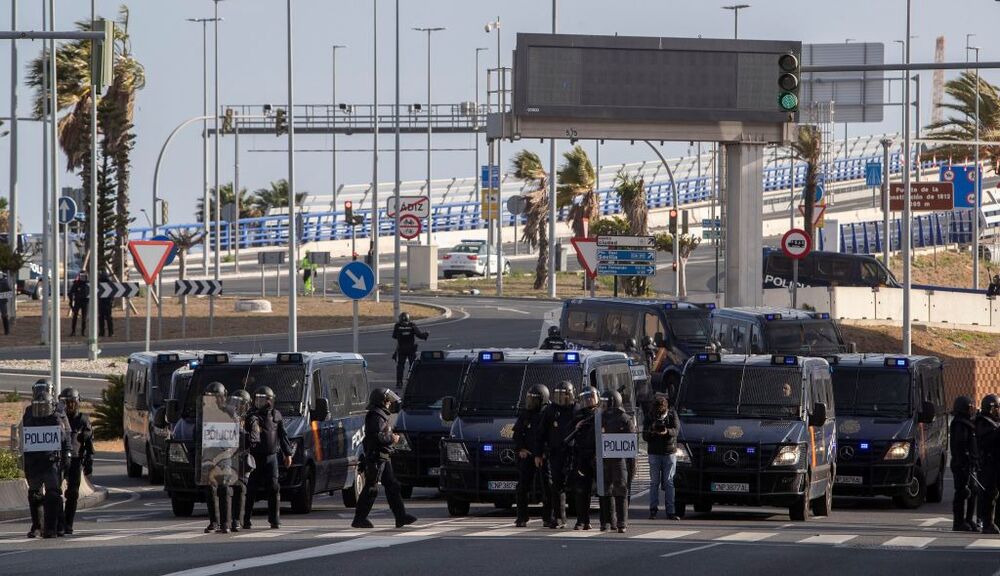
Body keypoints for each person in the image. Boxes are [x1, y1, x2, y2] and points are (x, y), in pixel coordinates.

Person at [352, 388, 417, 529]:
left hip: (383, 456)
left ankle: (401, 516)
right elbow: (377, 437)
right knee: (371, 488)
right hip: (377, 457)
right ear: (382, 401)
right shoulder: (376, 416)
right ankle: (359, 518)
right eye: (388, 401)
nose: (389, 404)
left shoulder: (380, 415)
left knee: (392, 486)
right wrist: (392, 438)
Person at [22, 391, 72, 539]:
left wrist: (66, 456)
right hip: (34, 462)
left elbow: (65, 438)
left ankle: (52, 527)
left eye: (44, 407)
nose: (42, 410)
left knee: (53, 495)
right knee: (34, 495)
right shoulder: (29, 418)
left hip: (51, 462)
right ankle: (37, 526)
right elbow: (23, 439)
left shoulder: (57, 418)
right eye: (39, 407)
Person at [244, 386, 294, 530]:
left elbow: (283, 435)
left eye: (264, 399)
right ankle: (245, 519)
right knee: (251, 489)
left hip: (271, 457)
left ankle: (274, 520)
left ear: (270, 400)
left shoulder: (276, 415)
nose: (261, 402)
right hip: (254, 458)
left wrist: (288, 453)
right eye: (258, 399)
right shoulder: (251, 415)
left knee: (274, 487)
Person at [539, 380, 576, 529]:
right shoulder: (550, 411)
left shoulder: (577, 410)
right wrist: (538, 453)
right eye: (559, 396)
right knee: (556, 487)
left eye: (565, 396)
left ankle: (583, 520)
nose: (562, 399)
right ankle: (559, 517)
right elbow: (541, 434)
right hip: (555, 453)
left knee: (579, 487)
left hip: (574, 454)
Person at [514, 384, 551, 528]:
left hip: (543, 455)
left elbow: (550, 436)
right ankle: (521, 517)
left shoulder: (547, 413)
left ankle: (548, 518)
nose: (531, 403)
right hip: (528, 455)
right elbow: (517, 433)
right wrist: (521, 448)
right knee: (522, 486)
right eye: (529, 399)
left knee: (547, 487)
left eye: (534, 400)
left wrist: (542, 453)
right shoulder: (525, 413)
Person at [599, 389, 635, 533]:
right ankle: (607, 522)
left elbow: (631, 442)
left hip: (619, 460)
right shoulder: (599, 418)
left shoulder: (624, 419)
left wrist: (632, 465)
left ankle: (621, 522)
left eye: (605, 403)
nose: (603, 406)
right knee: (605, 490)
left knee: (620, 489)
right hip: (604, 459)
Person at [58, 388, 92, 535]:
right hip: (58, 460)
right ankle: (58, 523)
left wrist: (89, 460)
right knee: (54, 492)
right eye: (66, 403)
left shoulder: (83, 419)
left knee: (72, 493)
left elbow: (89, 442)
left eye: (72, 402)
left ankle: (68, 523)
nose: (70, 406)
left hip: (76, 460)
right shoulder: (57, 418)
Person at [201, 382, 233, 534]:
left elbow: (234, 436)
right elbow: (198, 434)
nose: (213, 401)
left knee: (224, 488)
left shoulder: (230, 413)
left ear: (222, 398)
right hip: (208, 455)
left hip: (225, 455)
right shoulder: (204, 413)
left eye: (216, 397)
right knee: (209, 489)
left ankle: (226, 523)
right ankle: (214, 521)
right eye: (210, 397)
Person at [566, 386, 600, 531]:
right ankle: (582, 521)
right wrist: (577, 425)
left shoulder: (601, 414)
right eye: (586, 398)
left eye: (591, 397)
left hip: (598, 457)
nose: (589, 400)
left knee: (605, 490)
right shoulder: (578, 415)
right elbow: (567, 434)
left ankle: (607, 521)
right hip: (582, 457)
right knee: (581, 490)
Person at [644, 394, 679, 521]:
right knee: (654, 483)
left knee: (669, 482)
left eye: (661, 412)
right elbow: (644, 436)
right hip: (654, 452)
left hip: (669, 452)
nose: (659, 415)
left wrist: (667, 432)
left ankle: (670, 511)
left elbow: (676, 430)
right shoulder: (649, 416)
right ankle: (653, 510)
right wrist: (652, 431)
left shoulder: (671, 415)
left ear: (666, 409)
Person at [229, 389, 257, 533]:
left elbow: (254, 439)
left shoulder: (251, 420)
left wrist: (241, 431)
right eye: (235, 403)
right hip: (227, 458)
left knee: (241, 488)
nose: (236, 406)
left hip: (243, 459)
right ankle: (221, 521)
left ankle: (238, 520)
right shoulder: (227, 417)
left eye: (240, 404)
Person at [950, 395, 979, 532]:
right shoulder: (960, 425)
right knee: (962, 492)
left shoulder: (968, 423)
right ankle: (958, 522)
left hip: (969, 464)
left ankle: (968, 519)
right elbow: (960, 445)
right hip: (961, 464)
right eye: (970, 407)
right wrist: (966, 460)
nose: (972, 409)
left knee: (973, 491)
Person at [976, 394, 1000, 534]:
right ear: (991, 408)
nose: (998, 410)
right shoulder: (983, 422)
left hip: (996, 463)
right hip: (988, 464)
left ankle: (997, 522)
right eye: (997, 407)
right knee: (989, 494)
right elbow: (988, 441)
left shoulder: (995, 422)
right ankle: (987, 523)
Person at [392, 312, 429, 389]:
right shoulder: (412, 325)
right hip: (411, 350)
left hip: (401, 350)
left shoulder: (397, 326)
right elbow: (420, 335)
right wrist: (426, 334)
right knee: (413, 366)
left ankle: (399, 383)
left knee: (400, 367)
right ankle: (413, 382)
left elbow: (394, 336)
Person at [68, 272, 89, 337]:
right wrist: (71, 302)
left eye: (84, 276)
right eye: (81, 276)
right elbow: (70, 293)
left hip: (85, 302)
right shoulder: (76, 284)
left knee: (84, 317)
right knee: (75, 317)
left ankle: (83, 332)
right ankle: (73, 331)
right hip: (77, 301)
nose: (83, 278)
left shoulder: (88, 284)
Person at [97, 272, 114, 337]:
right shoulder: (109, 283)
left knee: (102, 317)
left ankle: (102, 332)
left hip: (102, 302)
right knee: (108, 317)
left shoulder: (99, 283)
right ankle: (110, 332)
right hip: (107, 302)